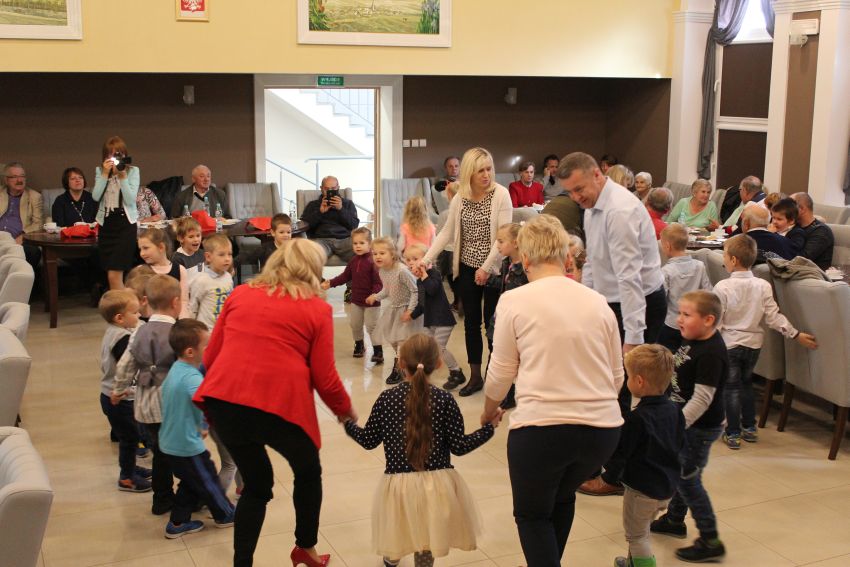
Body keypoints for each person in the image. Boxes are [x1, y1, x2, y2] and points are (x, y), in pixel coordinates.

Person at [193, 238, 355, 567]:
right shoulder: (316, 309)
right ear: (312, 270)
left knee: (257, 486)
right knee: (308, 472)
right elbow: (324, 376)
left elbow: (210, 356)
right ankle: (305, 548)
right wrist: (344, 410)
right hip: (279, 407)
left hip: (226, 402)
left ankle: (242, 563)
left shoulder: (240, 294)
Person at [481, 215, 623, 567]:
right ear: (566, 256)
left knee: (532, 516)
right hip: (602, 432)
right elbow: (616, 375)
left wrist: (489, 410)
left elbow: (501, 371)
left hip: (542, 430)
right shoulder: (598, 301)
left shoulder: (514, 300)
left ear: (526, 259)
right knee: (562, 498)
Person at [343, 334, 500, 567]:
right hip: (437, 488)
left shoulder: (387, 399)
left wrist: (348, 424)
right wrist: (488, 429)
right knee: (427, 539)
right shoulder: (445, 400)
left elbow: (368, 440)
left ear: (400, 363)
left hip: (398, 488)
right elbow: (460, 446)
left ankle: (390, 561)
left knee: (396, 533)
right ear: (438, 363)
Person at [557, 152, 665, 401]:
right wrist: (586, 305)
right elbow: (593, 260)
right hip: (614, 300)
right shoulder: (592, 204)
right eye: (570, 192)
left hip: (640, 302)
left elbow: (629, 277)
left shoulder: (619, 211)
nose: (575, 197)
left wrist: (634, 337)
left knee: (627, 385)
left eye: (579, 189)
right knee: (609, 380)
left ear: (597, 174)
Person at [420, 147, 513, 396]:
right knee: (471, 323)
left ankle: (496, 377)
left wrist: (486, 267)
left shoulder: (501, 194)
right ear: (469, 173)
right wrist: (426, 259)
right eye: (480, 170)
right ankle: (475, 377)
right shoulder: (461, 196)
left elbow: (503, 237)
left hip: (494, 269)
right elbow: (447, 232)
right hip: (467, 266)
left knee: (493, 325)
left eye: (489, 169)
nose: (486, 175)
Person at [714, 235, 817, 449]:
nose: (723, 259)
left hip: (730, 343)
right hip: (753, 345)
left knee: (730, 388)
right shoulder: (762, 285)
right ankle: (749, 427)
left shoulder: (722, 287)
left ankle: (733, 432)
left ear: (733, 260)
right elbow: (773, 317)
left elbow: (717, 320)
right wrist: (795, 334)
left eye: (724, 255)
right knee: (746, 384)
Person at [651, 291, 727, 563]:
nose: (679, 319)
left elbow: (703, 398)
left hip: (699, 428)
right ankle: (674, 520)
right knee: (683, 474)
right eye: (680, 313)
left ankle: (710, 539)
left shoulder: (711, 353)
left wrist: (677, 426)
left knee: (688, 480)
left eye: (686, 314)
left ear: (708, 320)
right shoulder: (693, 338)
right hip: (685, 422)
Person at [608, 345, 685, 567]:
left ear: (639, 381)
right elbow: (680, 444)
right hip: (667, 486)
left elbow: (622, 453)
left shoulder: (637, 419)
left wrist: (609, 475)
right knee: (642, 530)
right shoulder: (675, 410)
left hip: (641, 490)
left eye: (629, 376)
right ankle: (632, 563)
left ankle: (643, 563)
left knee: (636, 536)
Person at [112, 275, 181, 516]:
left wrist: (118, 390)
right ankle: (183, 496)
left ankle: (162, 499)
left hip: (145, 404)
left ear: (146, 302)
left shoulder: (138, 332)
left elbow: (125, 366)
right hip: (171, 404)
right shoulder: (178, 333)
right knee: (177, 452)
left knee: (160, 453)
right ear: (176, 302)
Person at [159, 318, 236, 538]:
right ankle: (225, 515)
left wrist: (200, 424)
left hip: (171, 440)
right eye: (207, 346)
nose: (211, 349)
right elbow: (209, 404)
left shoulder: (177, 369)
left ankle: (177, 522)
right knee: (208, 479)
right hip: (186, 445)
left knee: (191, 481)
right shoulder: (192, 378)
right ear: (191, 352)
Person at [97, 289, 151, 493]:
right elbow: (126, 366)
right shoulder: (122, 339)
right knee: (130, 439)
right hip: (119, 399)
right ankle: (127, 478)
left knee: (129, 437)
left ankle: (130, 467)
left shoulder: (114, 331)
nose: (139, 316)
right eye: (135, 313)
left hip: (112, 396)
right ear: (120, 318)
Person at [403, 243, 464, 389]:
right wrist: (411, 315)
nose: (411, 262)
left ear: (427, 259)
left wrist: (424, 274)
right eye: (408, 260)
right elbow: (422, 304)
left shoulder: (433, 274)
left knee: (439, 349)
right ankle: (421, 371)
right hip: (430, 321)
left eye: (415, 259)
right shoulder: (419, 281)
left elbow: (432, 289)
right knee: (426, 347)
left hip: (443, 320)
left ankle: (456, 372)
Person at [322, 227, 384, 362]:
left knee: (372, 326)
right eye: (355, 243)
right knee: (355, 325)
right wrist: (331, 283)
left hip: (372, 302)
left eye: (362, 243)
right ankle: (359, 344)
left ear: (370, 244)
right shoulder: (353, 261)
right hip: (356, 301)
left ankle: (378, 350)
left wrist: (374, 295)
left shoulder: (373, 262)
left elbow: (379, 283)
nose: (358, 246)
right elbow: (345, 277)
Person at [485, 222, 528, 409]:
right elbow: (503, 283)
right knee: (494, 350)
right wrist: (489, 279)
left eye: (501, 241)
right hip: (500, 317)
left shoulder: (526, 268)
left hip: (513, 320)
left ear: (516, 243)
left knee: (508, 358)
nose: (498, 246)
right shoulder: (506, 263)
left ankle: (507, 395)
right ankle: (500, 392)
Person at [366, 237, 419, 385]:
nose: (377, 256)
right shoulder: (383, 271)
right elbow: (387, 289)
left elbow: (415, 290)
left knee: (402, 340)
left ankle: (398, 369)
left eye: (382, 253)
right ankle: (403, 362)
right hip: (394, 309)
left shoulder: (402, 271)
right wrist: (376, 296)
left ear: (393, 254)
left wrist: (410, 310)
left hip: (407, 309)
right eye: (375, 253)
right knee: (393, 339)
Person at [92, 136, 141, 291]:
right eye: (110, 154)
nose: (114, 158)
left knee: (115, 275)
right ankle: (124, 303)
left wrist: (122, 177)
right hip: (106, 225)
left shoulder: (133, 171)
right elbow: (95, 196)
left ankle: (122, 304)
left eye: (118, 154)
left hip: (125, 225)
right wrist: (105, 175)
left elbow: (130, 199)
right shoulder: (100, 171)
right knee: (110, 274)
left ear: (124, 155)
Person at [657, 223, 712, 352]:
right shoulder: (699, 266)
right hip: (694, 324)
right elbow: (709, 292)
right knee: (689, 356)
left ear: (667, 246)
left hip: (672, 324)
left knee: (669, 358)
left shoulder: (666, 271)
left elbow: (661, 301)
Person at [301, 175, 359, 262]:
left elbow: (354, 225)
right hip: (321, 240)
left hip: (344, 240)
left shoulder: (347, 204)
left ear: (338, 188)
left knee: (364, 249)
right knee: (311, 254)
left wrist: (341, 209)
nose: (330, 192)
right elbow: (305, 226)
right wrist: (320, 212)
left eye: (333, 189)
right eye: (326, 189)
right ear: (321, 189)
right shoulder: (313, 205)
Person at [138, 228, 190, 319]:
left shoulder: (180, 270)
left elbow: (183, 301)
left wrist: (183, 322)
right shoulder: (140, 270)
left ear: (161, 247)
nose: (142, 253)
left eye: (146, 248)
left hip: (173, 323)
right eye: (140, 249)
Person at [0, 161, 43, 270]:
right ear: (6, 180)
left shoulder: (34, 196)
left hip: (18, 240)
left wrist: (22, 237)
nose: (19, 180)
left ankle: (25, 280)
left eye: (22, 176)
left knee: (33, 252)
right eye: (14, 177)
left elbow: (38, 224)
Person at [188, 233, 234, 332]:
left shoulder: (228, 277)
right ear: (208, 257)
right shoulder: (201, 280)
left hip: (224, 329)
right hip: (207, 331)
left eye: (229, 254)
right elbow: (192, 308)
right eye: (221, 255)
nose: (227, 258)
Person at [790, 192, 835, 270]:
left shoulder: (821, 231)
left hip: (812, 274)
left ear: (802, 209)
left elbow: (802, 259)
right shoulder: (794, 226)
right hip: (793, 270)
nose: (785, 210)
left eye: (789, 206)